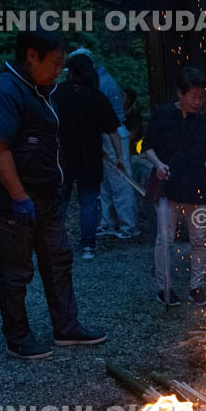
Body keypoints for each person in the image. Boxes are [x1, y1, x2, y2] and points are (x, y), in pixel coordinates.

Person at [0, 27, 106, 360]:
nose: (60, 70)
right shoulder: (4, 92)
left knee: (58, 260)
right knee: (18, 268)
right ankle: (18, 337)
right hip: (13, 200)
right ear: (31, 55)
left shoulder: (39, 89)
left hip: (48, 196)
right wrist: (19, 197)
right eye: (56, 62)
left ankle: (67, 327)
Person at [143, 67, 206, 307]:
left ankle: (195, 286)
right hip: (168, 188)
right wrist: (158, 164)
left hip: (197, 187)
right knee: (165, 240)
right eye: (194, 96)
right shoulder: (162, 115)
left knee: (199, 240)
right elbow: (147, 146)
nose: (198, 101)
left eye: (202, 96)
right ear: (180, 93)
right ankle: (164, 288)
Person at [53, 53, 127, 260]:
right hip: (90, 157)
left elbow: (48, 124)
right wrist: (120, 158)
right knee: (88, 202)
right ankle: (88, 246)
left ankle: (53, 243)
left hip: (62, 157)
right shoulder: (96, 96)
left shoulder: (58, 94)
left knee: (60, 200)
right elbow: (113, 130)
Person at [67, 48, 139, 240]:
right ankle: (109, 222)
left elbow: (105, 119)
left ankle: (128, 226)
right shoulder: (96, 81)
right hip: (103, 135)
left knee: (120, 182)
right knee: (106, 183)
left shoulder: (102, 83)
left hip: (113, 134)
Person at [123, 87, 144, 157]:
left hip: (133, 150)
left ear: (129, 100)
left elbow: (132, 135)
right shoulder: (118, 114)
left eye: (123, 96)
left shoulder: (135, 115)